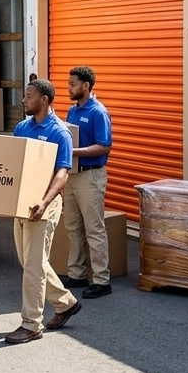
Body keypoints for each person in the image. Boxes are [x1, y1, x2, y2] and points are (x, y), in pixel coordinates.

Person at [4, 78, 81, 345]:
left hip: (44, 205)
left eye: (28, 96)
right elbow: (12, 164)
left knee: (34, 267)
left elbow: (62, 173)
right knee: (30, 262)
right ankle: (66, 303)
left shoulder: (60, 132)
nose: (24, 100)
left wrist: (45, 203)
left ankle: (31, 324)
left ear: (44, 100)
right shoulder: (22, 128)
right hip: (22, 204)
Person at [62, 65, 115, 298]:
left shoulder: (98, 112)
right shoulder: (72, 111)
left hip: (91, 176)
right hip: (72, 175)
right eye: (68, 83)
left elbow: (104, 145)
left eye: (72, 84)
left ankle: (102, 280)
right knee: (73, 227)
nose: (69, 88)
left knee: (94, 229)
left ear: (86, 86)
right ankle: (77, 274)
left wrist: (74, 151)